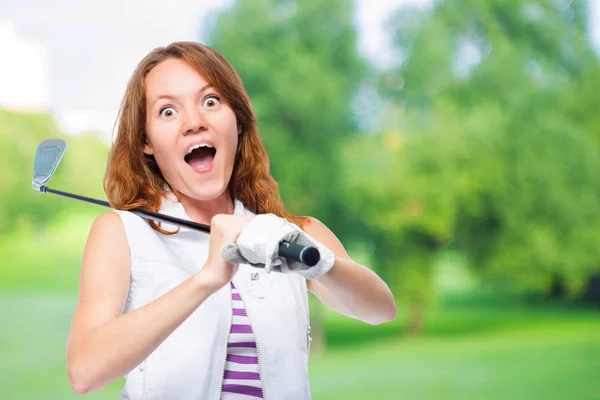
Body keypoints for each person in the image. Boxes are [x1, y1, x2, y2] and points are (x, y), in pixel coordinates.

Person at [65, 41, 396, 400]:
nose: (194, 122)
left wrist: (313, 259)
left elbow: (380, 309)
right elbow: (84, 372)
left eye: (211, 101)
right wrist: (206, 279)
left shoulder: (294, 233)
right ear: (146, 141)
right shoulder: (122, 232)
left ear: (237, 120)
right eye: (167, 111)